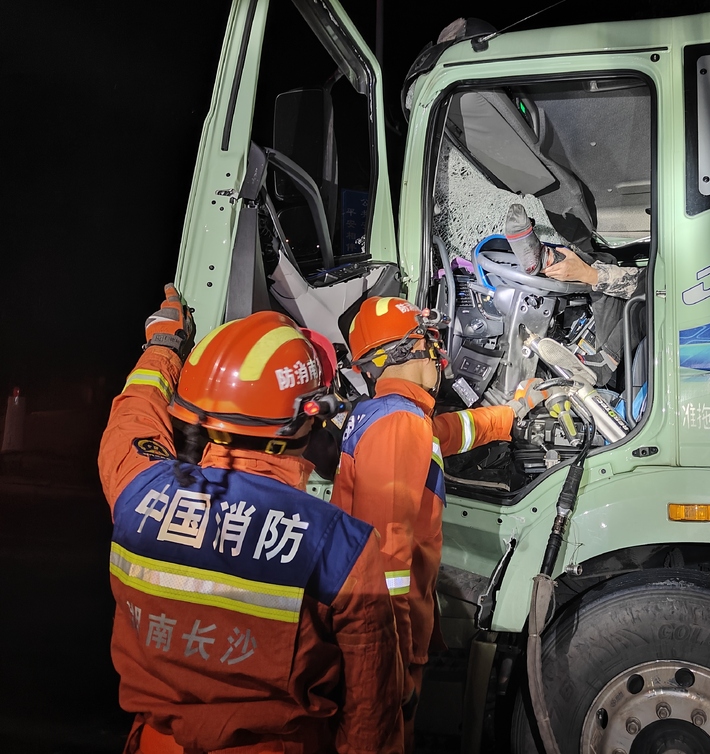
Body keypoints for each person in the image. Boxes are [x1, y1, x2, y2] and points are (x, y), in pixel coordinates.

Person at [99, 285, 403, 754]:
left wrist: (163, 346)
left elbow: (134, 418)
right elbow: (371, 721)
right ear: (308, 420)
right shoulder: (341, 546)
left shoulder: (137, 488)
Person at [331, 296, 545, 752]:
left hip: (381, 633)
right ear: (413, 349)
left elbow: (451, 432)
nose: (440, 356)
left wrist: (512, 412)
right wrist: (396, 664)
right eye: (432, 342)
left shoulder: (393, 415)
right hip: (387, 644)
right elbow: (386, 560)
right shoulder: (398, 425)